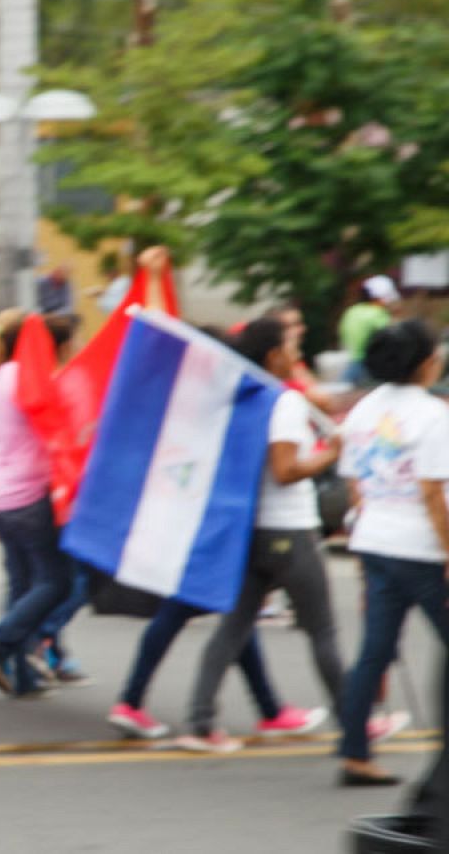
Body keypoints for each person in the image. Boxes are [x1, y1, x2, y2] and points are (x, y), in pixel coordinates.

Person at [176, 318, 345, 753]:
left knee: (232, 629)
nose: (296, 356)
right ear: (273, 356)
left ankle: (199, 722)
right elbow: (285, 470)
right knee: (322, 630)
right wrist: (330, 455)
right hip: (289, 528)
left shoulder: (239, 395)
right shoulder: (282, 400)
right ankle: (356, 721)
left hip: (252, 530)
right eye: (290, 347)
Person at [335, 320, 449, 786]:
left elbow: (354, 480)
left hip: (376, 542)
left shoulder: (363, 409)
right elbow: (432, 493)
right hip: (422, 550)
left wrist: (371, 521)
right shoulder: (433, 415)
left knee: (374, 652)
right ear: (425, 364)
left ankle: (354, 753)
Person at [0, 315, 77, 699]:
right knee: (56, 582)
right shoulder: (32, 378)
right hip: (28, 497)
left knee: (22, 586)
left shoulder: (0, 374)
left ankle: (22, 677)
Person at [339, 276, 401, 384]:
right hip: (369, 365)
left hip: (351, 361)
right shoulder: (377, 314)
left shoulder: (352, 311)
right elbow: (393, 336)